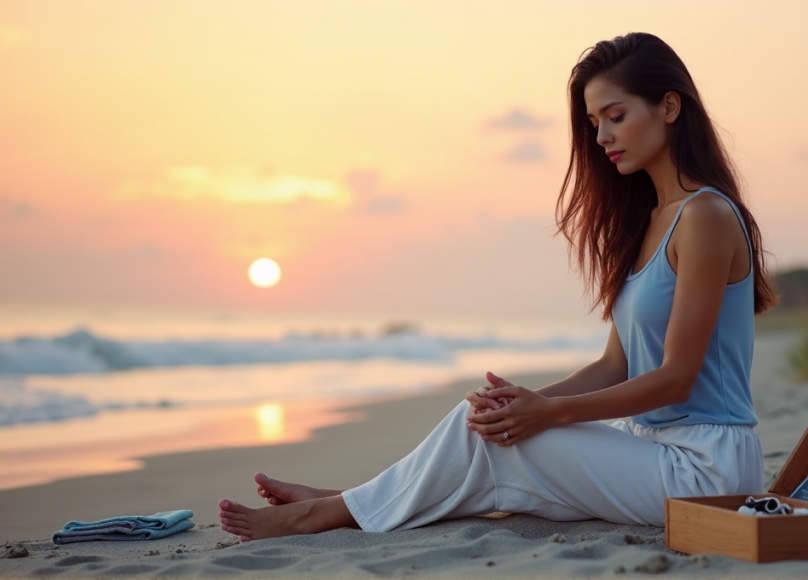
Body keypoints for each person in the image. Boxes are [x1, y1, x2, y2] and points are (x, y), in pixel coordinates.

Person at [218, 31, 779, 542]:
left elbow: (675, 380)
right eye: (593, 123)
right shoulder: (648, 220)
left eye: (615, 115)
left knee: (491, 440)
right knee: (487, 420)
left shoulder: (704, 217)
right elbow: (617, 364)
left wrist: (549, 414)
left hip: (706, 468)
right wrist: (526, 401)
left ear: (669, 106)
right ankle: (351, 500)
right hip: (647, 449)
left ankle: (330, 509)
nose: (603, 136)